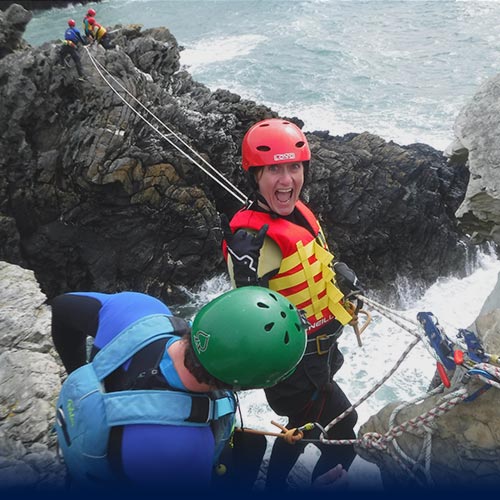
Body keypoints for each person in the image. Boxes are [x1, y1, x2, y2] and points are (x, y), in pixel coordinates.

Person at [222, 118, 364, 491]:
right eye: (274, 169)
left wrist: (338, 273)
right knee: (343, 432)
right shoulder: (252, 241)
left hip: (319, 355)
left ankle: (277, 485)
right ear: (255, 176)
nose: (286, 180)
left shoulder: (296, 211)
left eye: (294, 167)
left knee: (304, 429)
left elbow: (311, 259)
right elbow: (245, 316)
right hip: (294, 368)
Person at [50, 287, 308, 491]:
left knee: (252, 445)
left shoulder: (141, 311)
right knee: (250, 450)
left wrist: (78, 371)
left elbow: (61, 308)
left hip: (94, 437)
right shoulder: (187, 451)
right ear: (248, 385)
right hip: (124, 473)